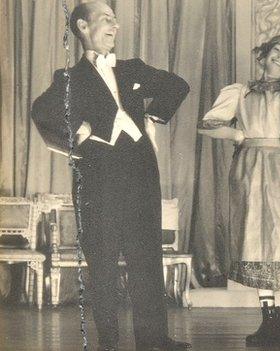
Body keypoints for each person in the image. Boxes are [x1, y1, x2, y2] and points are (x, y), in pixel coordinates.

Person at [31, 2, 191, 350]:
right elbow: (41, 113)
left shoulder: (133, 68)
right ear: (83, 27)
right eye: (106, 19)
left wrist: (154, 118)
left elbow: (177, 85)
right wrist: (79, 131)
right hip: (97, 177)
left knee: (146, 257)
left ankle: (154, 339)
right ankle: (109, 341)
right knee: (101, 261)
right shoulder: (69, 79)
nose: (115, 25)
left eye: (116, 20)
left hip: (140, 173)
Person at [198, 34, 280, 346]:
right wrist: (239, 134)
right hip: (250, 167)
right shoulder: (240, 91)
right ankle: (269, 321)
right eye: (277, 50)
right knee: (256, 237)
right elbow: (208, 124)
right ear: (264, 54)